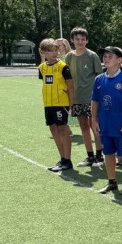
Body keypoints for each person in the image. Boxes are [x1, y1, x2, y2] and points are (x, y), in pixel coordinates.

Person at [92, 46, 122, 194]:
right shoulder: (99, 79)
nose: (106, 58)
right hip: (105, 124)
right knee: (108, 153)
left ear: (119, 60)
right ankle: (112, 181)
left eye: (110, 56)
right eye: (105, 56)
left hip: (121, 124)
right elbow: (95, 101)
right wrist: (94, 120)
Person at [64, 27, 104, 168]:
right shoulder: (69, 56)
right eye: (77, 39)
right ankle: (90, 156)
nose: (80, 42)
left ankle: (100, 156)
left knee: (95, 126)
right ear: (72, 40)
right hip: (76, 98)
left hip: (91, 98)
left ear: (87, 40)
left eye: (83, 39)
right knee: (83, 126)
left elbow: (100, 77)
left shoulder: (92, 55)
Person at [38, 38, 75, 172]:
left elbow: (70, 86)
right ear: (43, 52)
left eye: (56, 50)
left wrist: (71, 105)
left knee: (63, 130)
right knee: (53, 130)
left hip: (61, 104)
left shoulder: (63, 66)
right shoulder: (42, 68)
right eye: (50, 51)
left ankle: (68, 160)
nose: (54, 53)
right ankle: (62, 158)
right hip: (48, 104)